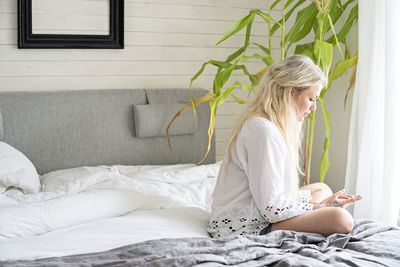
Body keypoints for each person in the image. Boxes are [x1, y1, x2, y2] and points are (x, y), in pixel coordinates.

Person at [208, 55, 362, 238]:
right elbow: (270, 208)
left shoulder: (268, 125)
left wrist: (320, 205)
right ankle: (304, 219)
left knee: (322, 189)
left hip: (262, 209)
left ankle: (314, 213)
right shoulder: (262, 130)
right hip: (246, 224)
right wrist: (320, 207)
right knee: (341, 219)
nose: (313, 108)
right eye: (311, 99)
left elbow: (274, 195)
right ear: (291, 92)